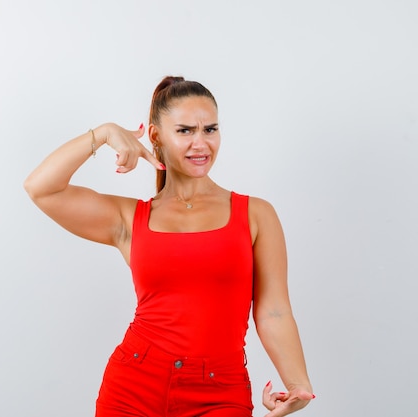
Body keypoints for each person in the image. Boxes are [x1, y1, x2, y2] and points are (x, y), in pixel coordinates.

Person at [23, 76, 314, 417]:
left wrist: (297, 384)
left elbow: (273, 310)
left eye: (210, 129)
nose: (201, 143)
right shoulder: (130, 218)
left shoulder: (255, 214)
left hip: (220, 392)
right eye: (186, 131)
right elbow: (41, 188)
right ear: (157, 137)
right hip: (133, 386)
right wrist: (102, 134)